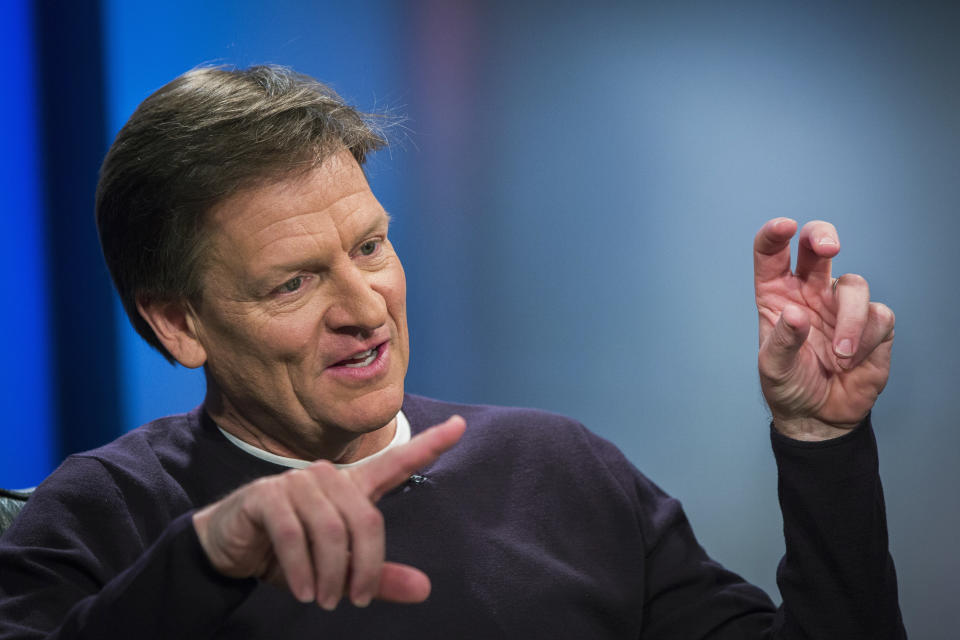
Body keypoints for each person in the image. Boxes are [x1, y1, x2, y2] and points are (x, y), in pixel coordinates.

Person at [0, 65, 904, 639]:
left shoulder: (561, 468)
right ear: (177, 324)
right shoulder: (102, 516)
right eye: (294, 283)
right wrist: (205, 563)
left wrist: (819, 444)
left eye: (369, 246)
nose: (366, 307)